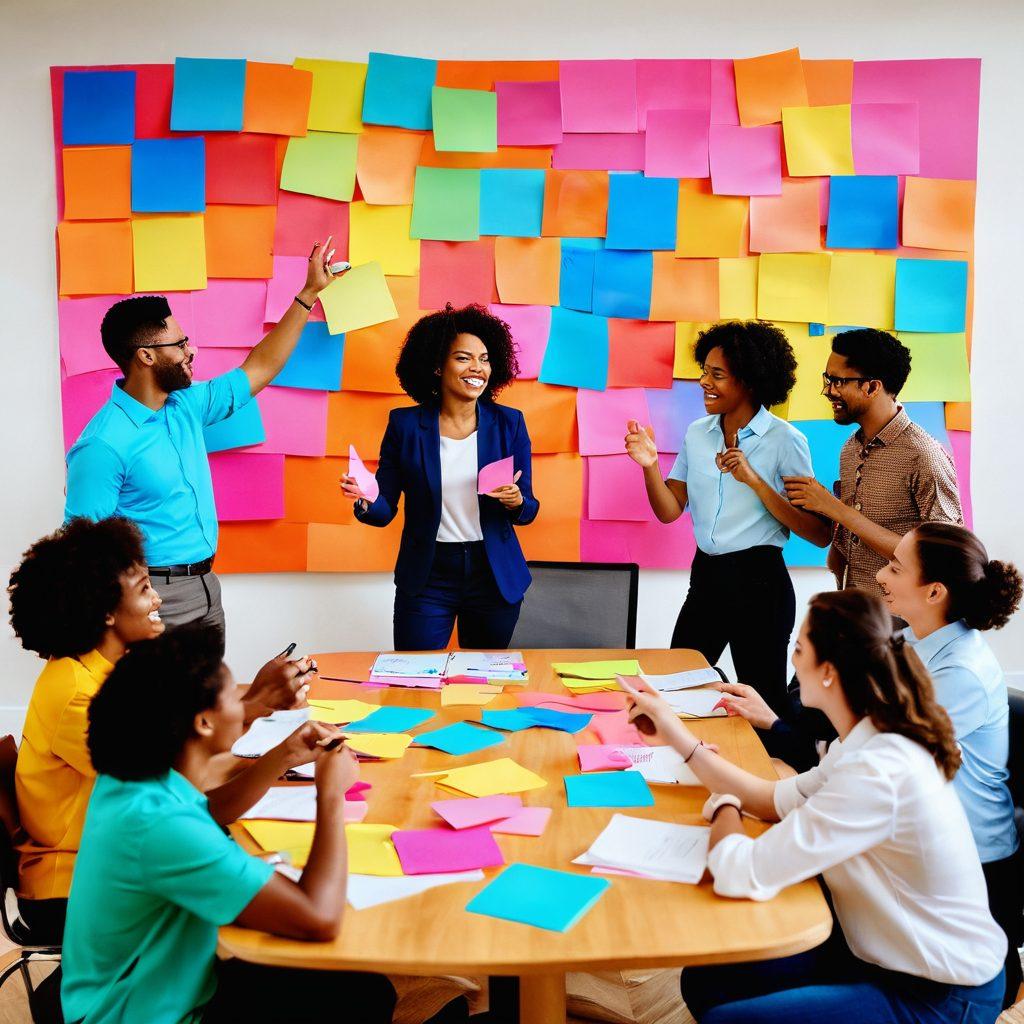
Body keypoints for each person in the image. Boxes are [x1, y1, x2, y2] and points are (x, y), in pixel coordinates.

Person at [621, 590, 1006, 1023]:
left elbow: (738, 871)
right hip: (874, 951)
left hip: (939, 994)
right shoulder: (862, 740)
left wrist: (724, 805)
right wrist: (673, 731)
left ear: (828, 672)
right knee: (707, 981)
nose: (792, 659)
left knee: (727, 1018)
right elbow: (771, 799)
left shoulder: (877, 770)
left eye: (799, 649)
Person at [60, 624, 398, 1024]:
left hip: (137, 990)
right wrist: (331, 795)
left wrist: (283, 755)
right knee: (363, 996)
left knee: (359, 988)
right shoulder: (163, 826)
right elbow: (318, 919)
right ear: (203, 722)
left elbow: (208, 812)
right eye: (232, 695)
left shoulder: (132, 777)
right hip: (141, 1014)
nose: (244, 705)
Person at [7, 517, 318, 946]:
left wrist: (260, 722)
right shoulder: (76, 693)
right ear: (106, 613)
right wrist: (257, 714)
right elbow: (185, 783)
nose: (158, 599)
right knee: (279, 913)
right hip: (73, 882)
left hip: (121, 856)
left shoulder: (118, 670)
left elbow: (185, 764)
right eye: (144, 589)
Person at [64, 240, 342, 631]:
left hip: (206, 587)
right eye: (179, 344)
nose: (190, 350)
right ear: (146, 356)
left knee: (209, 695)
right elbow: (80, 550)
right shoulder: (102, 445)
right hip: (151, 599)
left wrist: (308, 294)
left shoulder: (185, 405)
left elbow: (261, 366)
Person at [624, 321, 831, 717]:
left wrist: (754, 480)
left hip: (760, 583)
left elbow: (818, 533)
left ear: (750, 380)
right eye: (705, 371)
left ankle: (774, 777)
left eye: (716, 374)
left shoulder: (786, 441)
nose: (704, 381)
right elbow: (669, 511)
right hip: (706, 579)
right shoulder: (697, 434)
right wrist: (650, 465)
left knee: (763, 704)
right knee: (677, 688)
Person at [877, 522, 1024, 1007]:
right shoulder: (917, 643)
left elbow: (878, 752)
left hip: (974, 865)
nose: (881, 574)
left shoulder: (958, 670)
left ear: (935, 591)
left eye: (896, 567)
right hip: (928, 841)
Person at [341, 303, 538, 651]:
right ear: (436, 365)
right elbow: (385, 509)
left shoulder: (510, 423)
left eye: (485, 358)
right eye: (463, 358)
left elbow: (529, 508)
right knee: (413, 681)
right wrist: (368, 497)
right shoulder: (405, 425)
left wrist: (516, 500)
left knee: (484, 684)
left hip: (492, 575)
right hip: (428, 575)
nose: (477, 367)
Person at [784, 328, 962, 599]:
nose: (828, 391)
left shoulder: (923, 454)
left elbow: (943, 554)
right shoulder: (850, 448)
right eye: (827, 379)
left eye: (838, 381)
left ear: (872, 387)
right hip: (855, 611)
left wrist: (835, 509)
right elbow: (852, 534)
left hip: (901, 624)